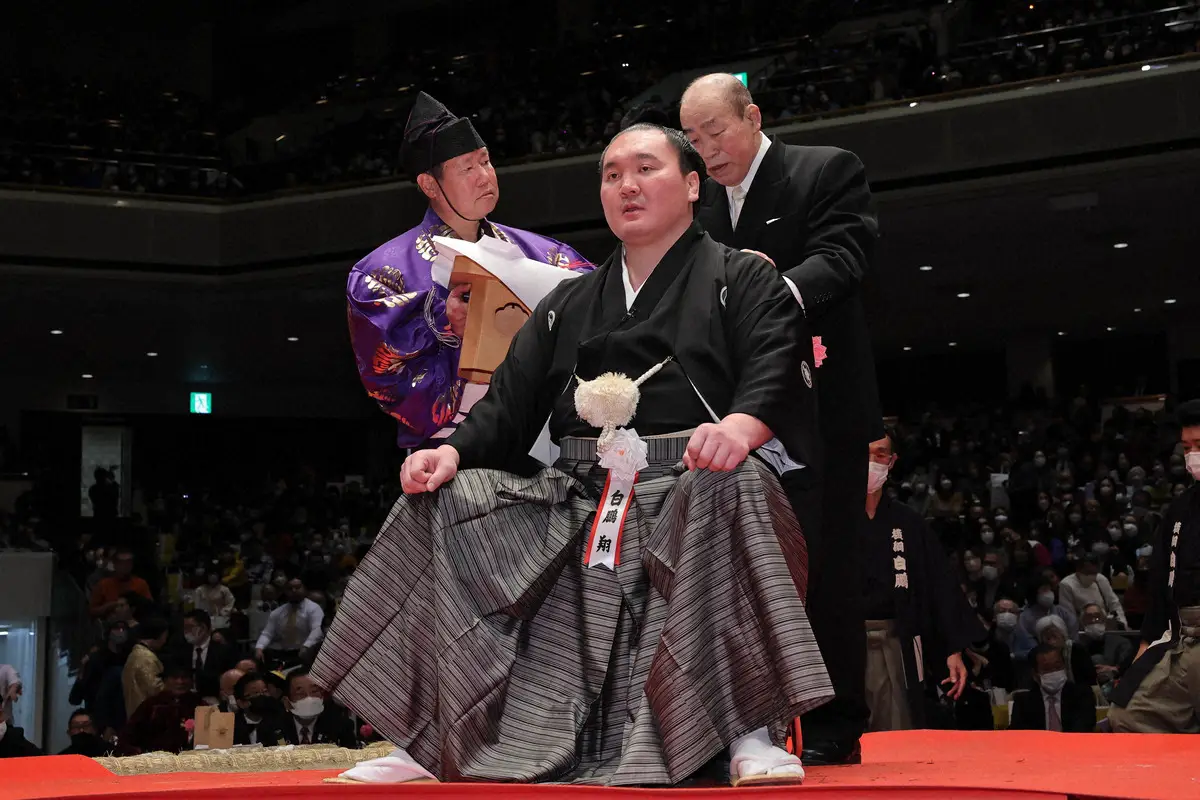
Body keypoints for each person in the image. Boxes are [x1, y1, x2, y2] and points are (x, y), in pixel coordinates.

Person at [311, 123, 830, 787]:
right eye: (612, 175)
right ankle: (430, 739)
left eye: (646, 169)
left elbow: (775, 366)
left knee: (731, 485)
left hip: (694, 482)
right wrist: (451, 452)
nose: (626, 186)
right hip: (580, 492)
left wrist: (740, 425)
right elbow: (505, 410)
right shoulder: (568, 302)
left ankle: (745, 730)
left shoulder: (742, 277)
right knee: (448, 497)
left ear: (693, 185)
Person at [680, 72, 881, 765]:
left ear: (753, 116)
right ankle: (741, 724)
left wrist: (771, 288)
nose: (708, 149)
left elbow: (845, 257)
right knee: (744, 568)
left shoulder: (824, 169)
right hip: (739, 407)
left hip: (824, 404)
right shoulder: (699, 206)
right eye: (695, 139)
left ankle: (833, 724)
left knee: (827, 566)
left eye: (717, 131)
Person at [348, 91, 590, 451]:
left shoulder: (545, 254)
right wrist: (444, 323)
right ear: (430, 185)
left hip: (549, 436)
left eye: (485, 162)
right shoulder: (382, 273)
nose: (484, 177)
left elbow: (598, 309)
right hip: (452, 445)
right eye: (466, 168)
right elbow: (385, 378)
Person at [859, 432, 982, 730]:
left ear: (892, 461)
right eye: (866, 454)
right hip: (842, 641)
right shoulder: (830, 520)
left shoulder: (909, 522)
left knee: (899, 724)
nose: (873, 462)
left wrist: (951, 649)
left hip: (898, 638)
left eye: (881, 454)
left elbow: (937, 584)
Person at [1109, 399, 1200, 732]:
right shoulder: (1181, 507)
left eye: (1199, 445)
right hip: (1181, 637)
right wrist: (1146, 644)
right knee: (1129, 716)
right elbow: (1163, 580)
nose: (1192, 454)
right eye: (1188, 446)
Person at [1009, 644, 1096, 732]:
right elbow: (1019, 734)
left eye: (1058, 667)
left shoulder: (1082, 695)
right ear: (1035, 675)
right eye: (1047, 669)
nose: (1054, 672)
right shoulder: (1023, 703)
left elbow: (1084, 727)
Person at [118, 662, 202, 754]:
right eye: (175, 678)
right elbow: (128, 736)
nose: (180, 682)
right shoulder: (151, 705)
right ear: (165, 680)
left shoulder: (199, 705)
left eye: (184, 677)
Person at [255, 578, 324, 668]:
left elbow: (317, 630)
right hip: (285, 652)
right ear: (285, 592)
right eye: (290, 588)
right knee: (264, 654)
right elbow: (267, 634)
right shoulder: (278, 612)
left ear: (304, 589)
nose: (294, 591)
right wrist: (259, 648)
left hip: (307, 652)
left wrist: (306, 646)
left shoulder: (314, 608)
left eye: (297, 587)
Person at [280, 669, 357, 748]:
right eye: (301, 694)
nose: (309, 698)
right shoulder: (276, 728)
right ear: (287, 702)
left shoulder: (341, 725)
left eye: (314, 691)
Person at [179, 610, 237, 703]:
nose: (186, 632)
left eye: (190, 627)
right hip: (186, 700)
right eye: (184, 628)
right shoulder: (180, 649)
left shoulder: (224, 651)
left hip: (215, 700)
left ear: (203, 628)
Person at [1058, 553, 1128, 628]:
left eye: (1094, 573)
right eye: (1088, 572)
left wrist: (1122, 623)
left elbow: (1114, 603)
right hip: (1082, 627)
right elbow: (1069, 615)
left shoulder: (1100, 579)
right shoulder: (1066, 584)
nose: (1092, 576)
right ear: (1078, 569)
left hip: (1105, 625)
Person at [122, 617, 168, 718]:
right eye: (164, 636)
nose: (165, 641)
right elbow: (156, 690)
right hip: (146, 717)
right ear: (157, 636)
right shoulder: (145, 658)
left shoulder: (135, 655)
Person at [89, 548, 152, 619]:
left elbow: (150, 608)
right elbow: (91, 611)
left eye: (128, 562)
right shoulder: (103, 584)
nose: (125, 566)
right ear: (115, 564)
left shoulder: (141, 584)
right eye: (121, 562)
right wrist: (109, 606)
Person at [232, 672, 288, 747]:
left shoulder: (280, 719)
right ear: (241, 703)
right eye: (255, 693)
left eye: (265, 691)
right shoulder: (232, 726)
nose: (262, 696)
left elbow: (284, 746)